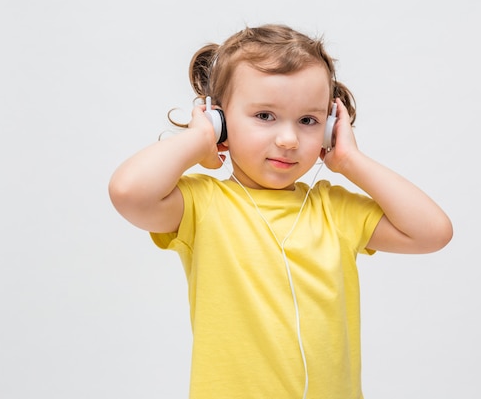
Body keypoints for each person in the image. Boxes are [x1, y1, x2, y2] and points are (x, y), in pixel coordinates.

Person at [108, 24, 453, 399]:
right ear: (220, 120)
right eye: (265, 116)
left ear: (329, 130)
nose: (288, 140)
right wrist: (199, 139)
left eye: (308, 121)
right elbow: (129, 192)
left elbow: (432, 232)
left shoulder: (333, 210)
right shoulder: (202, 206)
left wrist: (351, 161)